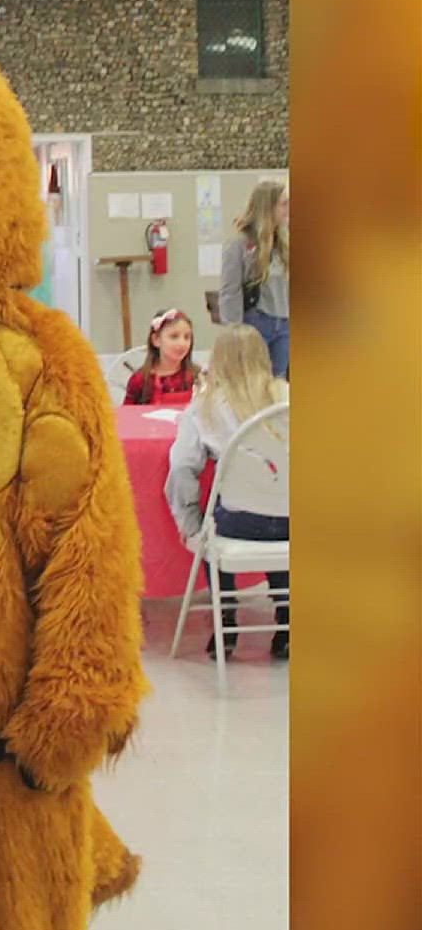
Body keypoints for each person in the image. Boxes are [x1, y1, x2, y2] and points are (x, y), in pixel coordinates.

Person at [166, 322, 290, 660]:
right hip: (293, 520)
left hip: (238, 521)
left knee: (215, 521)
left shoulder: (204, 408)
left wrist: (188, 522)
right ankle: (286, 619)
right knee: (278, 512)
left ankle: (226, 613)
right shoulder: (287, 398)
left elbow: (181, 469)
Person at [218, 181, 289, 377]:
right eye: (284, 204)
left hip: (284, 321)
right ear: (268, 206)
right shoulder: (240, 243)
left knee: (279, 380)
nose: (288, 209)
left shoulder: (284, 241)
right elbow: (230, 289)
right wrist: (234, 329)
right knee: (253, 378)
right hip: (257, 321)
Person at [122, 308, 200, 406]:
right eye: (174, 336)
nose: (182, 343)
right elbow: (128, 415)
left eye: (187, 337)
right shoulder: (140, 380)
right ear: (156, 340)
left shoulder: (197, 376)